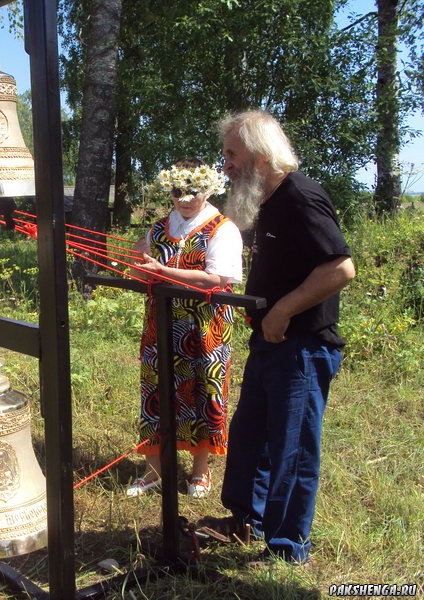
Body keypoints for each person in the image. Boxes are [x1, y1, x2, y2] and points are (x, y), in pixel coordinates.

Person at [197, 110, 356, 565]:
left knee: (293, 448)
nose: (225, 163)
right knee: (252, 436)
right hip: (272, 342)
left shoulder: (302, 198)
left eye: (232, 153)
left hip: (304, 346)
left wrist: (283, 310)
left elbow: (341, 268)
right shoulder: (269, 200)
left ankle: (288, 549)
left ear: (261, 156)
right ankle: (248, 521)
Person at [126, 158, 243, 499]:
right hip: (161, 322)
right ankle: (152, 472)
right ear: (170, 191)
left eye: (194, 191)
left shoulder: (222, 228)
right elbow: (139, 271)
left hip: (205, 325)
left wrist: (160, 270)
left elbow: (217, 278)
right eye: (179, 191)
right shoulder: (159, 228)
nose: (187, 199)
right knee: (155, 391)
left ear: (208, 190)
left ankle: (200, 472)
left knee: (204, 391)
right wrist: (136, 265)